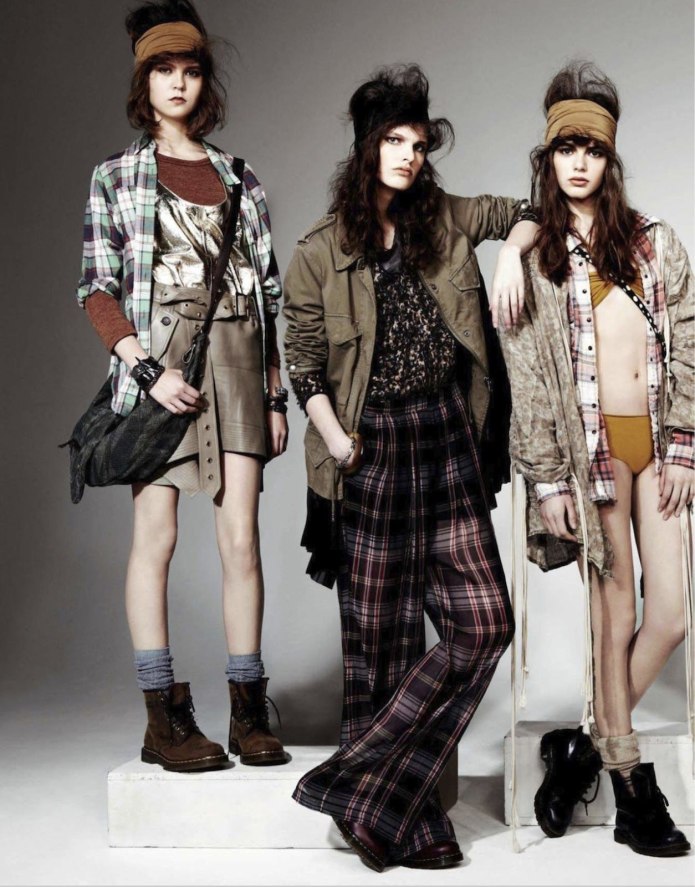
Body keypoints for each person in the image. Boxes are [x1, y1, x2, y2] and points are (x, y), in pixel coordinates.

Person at [283, 64, 539, 871]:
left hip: (446, 438)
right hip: (369, 450)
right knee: (380, 642)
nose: (406, 156)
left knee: (483, 621)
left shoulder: (448, 218)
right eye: (392, 141)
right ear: (365, 148)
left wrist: (510, 255)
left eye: (418, 144)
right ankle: (407, 813)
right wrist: (338, 440)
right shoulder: (320, 252)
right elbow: (303, 364)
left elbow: (529, 211)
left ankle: (352, 781)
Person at [75, 0, 289, 770]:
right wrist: (145, 370)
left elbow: (267, 292)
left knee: (241, 538)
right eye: (162, 69)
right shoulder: (115, 176)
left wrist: (274, 394)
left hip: (237, 356)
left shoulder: (238, 176)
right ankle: (162, 717)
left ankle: (247, 711)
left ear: (205, 82)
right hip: (160, 360)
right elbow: (96, 288)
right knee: (156, 537)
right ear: (143, 80)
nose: (177, 83)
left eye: (190, 70)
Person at [498, 61, 693, 857]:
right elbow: (527, 385)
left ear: (610, 159)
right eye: (564, 148)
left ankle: (577, 745)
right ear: (546, 157)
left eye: (592, 149)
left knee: (670, 615)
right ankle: (631, 789)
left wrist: (683, 445)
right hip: (591, 461)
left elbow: (689, 343)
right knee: (612, 623)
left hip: (656, 451)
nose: (577, 163)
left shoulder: (654, 243)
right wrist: (548, 479)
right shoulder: (535, 259)